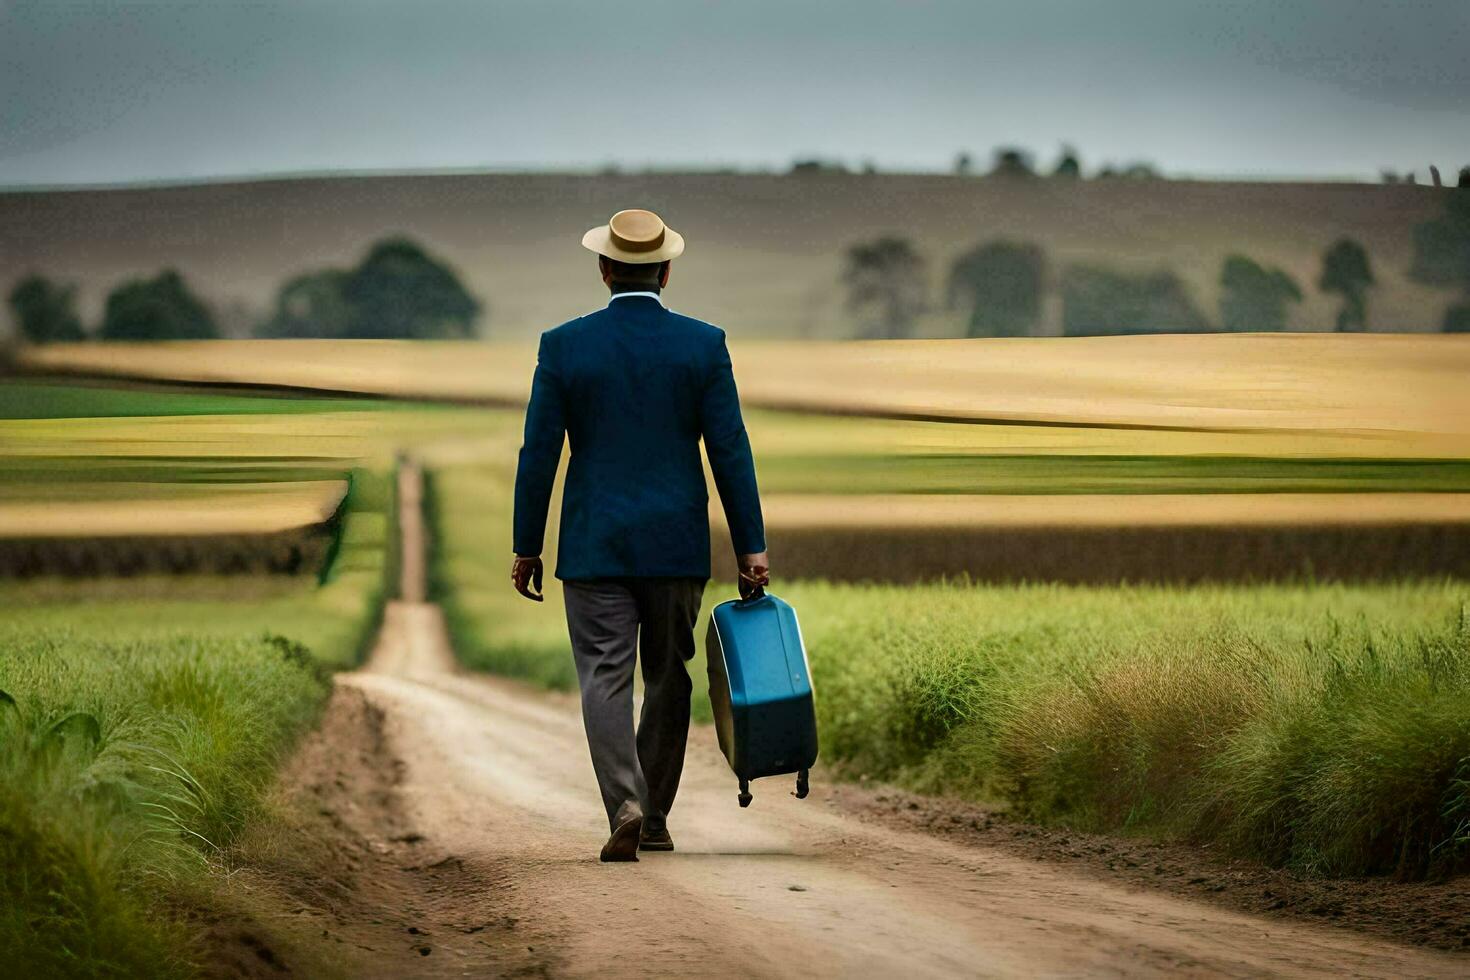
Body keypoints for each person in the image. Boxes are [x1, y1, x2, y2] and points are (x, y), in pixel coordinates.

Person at [510, 208, 769, 862]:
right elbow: (730, 449)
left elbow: (537, 451)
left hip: (594, 545)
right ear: (667, 271)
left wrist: (527, 544)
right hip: (675, 545)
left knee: (604, 676)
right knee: (668, 675)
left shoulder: (563, 345)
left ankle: (622, 803)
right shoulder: (703, 345)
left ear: (603, 268)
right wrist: (750, 547)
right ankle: (652, 817)